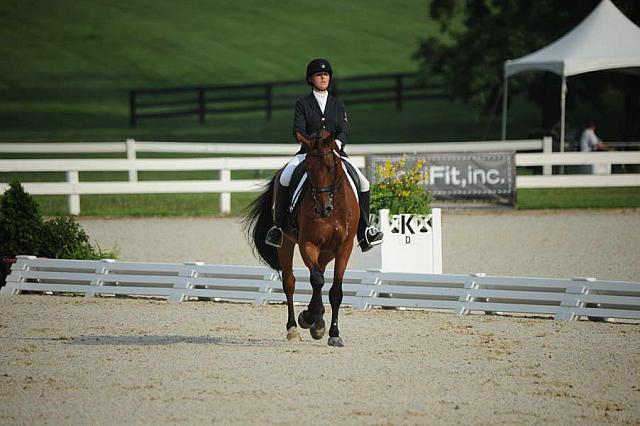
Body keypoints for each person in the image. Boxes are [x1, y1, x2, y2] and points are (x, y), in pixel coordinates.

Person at [265, 58, 384, 252]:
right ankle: (278, 227)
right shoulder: (303, 103)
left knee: (363, 182)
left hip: (335, 153)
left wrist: (336, 143)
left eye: (326, 75)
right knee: (286, 177)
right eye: (319, 75)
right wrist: (311, 145)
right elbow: (298, 130)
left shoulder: (338, 104)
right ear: (311, 79)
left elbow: (344, 129)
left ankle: (365, 230)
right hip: (308, 154)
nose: (323, 78)